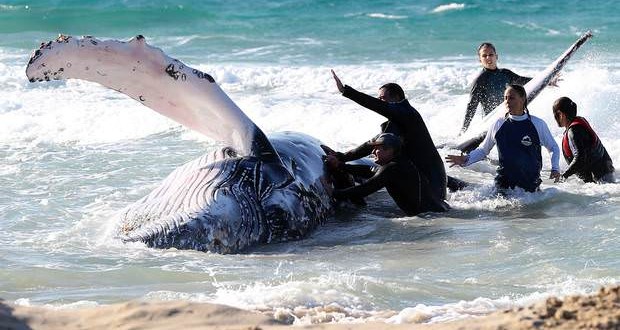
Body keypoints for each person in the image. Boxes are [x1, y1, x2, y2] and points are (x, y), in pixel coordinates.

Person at [328, 70, 449, 203]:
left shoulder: (407, 114)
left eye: (382, 98)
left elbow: (376, 106)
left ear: (396, 98)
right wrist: (341, 158)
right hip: (415, 174)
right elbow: (371, 144)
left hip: (431, 175)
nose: (380, 102)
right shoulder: (395, 122)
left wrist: (346, 91)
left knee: (432, 208)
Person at [446, 84, 561, 193]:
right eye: (505, 98)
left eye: (511, 98)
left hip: (530, 188)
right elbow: (483, 150)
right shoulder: (498, 124)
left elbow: (553, 147)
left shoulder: (537, 124)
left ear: (523, 99)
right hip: (504, 187)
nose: (507, 102)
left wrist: (555, 169)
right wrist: (466, 159)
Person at [329, 133, 448, 216]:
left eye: (377, 149)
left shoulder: (393, 168)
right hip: (438, 210)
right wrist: (340, 165)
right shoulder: (399, 163)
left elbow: (365, 189)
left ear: (390, 150)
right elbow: (371, 171)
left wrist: (333, 193)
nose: (373, 152)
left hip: (431, 215)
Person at [461, 42, 532, 134]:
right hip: (492, 125)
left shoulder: (505, 73)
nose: (488, 58)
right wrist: (463, 130)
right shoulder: (480, 80)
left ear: (496, 56)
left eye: (491, 54)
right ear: (480, 60)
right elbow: (471, 106)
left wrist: (548, 81)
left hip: (509, 119)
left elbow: (522, 80)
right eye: (484, 56)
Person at [552, 96, 615, 183]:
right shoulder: (579, 122)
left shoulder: (574, 131)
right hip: (605, 171)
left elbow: (580, 157)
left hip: (598, 178)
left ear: (561, 114)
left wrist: (565, 175)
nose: (555, 118)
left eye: (555, 115)